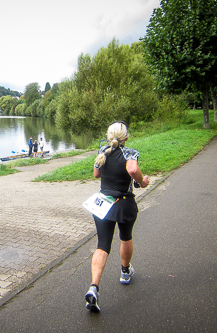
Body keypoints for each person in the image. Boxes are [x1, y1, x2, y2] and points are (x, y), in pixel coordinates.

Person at [85, 121, 149, 313]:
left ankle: (93, 288)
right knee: (125, 236)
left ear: (108, 135)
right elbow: (131, 170)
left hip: (102, 204)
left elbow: (96, 174)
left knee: (102, 245)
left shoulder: (103, 151)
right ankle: (125, 272)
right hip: (123, 204)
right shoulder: (129, 153)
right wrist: (142, 181)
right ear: (126, 137)